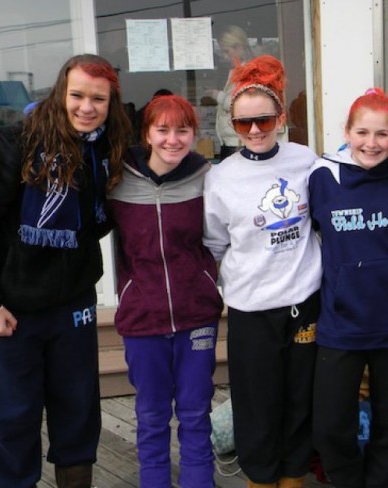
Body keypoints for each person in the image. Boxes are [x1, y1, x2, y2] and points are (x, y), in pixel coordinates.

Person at [0, 53, 132, 488]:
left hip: (72, 306)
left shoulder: (107, 150)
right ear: (60, 92)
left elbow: (99, 220)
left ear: (111, 103)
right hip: (9, 310)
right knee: (11, 420)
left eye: (98, 99)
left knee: (78, 413)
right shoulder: (15, 143)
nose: (87, 107)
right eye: (77, 95)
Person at [203, 54, 322, 488]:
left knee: (299, 400)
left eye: (265, 120)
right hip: (251, 309)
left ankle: (293, 478)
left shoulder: (305, 160)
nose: (254, 131)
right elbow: (215, 244)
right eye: (243, 123)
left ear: (280, 117)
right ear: (231, 123)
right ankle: (260, 480)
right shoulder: (221, 178)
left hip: (305, 302)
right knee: (257, 405)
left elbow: (350, 173)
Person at [108, 94, 223, 488]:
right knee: (153, 413)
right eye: (163, 130)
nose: (173, 139)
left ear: (195, 133)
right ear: (147, 134)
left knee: (194, 410)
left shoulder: (207, 176)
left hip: (197, 315)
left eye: (183, 130)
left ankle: (198, 481)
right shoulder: (117, 181)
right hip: (142, 317)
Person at [309, 88, 388, 488]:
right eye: (362, 133)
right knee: (328, 425)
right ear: (347, 132)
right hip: (342, 325)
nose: (371, 144)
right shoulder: (322, 176)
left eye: (382, 135)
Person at [215, 25, 255, 160]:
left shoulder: (250, 72)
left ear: (239, 48)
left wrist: (218, 96)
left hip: (239, 143)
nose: (226, 57)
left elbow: (244, 105)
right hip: (231, 141)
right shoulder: (236, 71)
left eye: (227, 51)